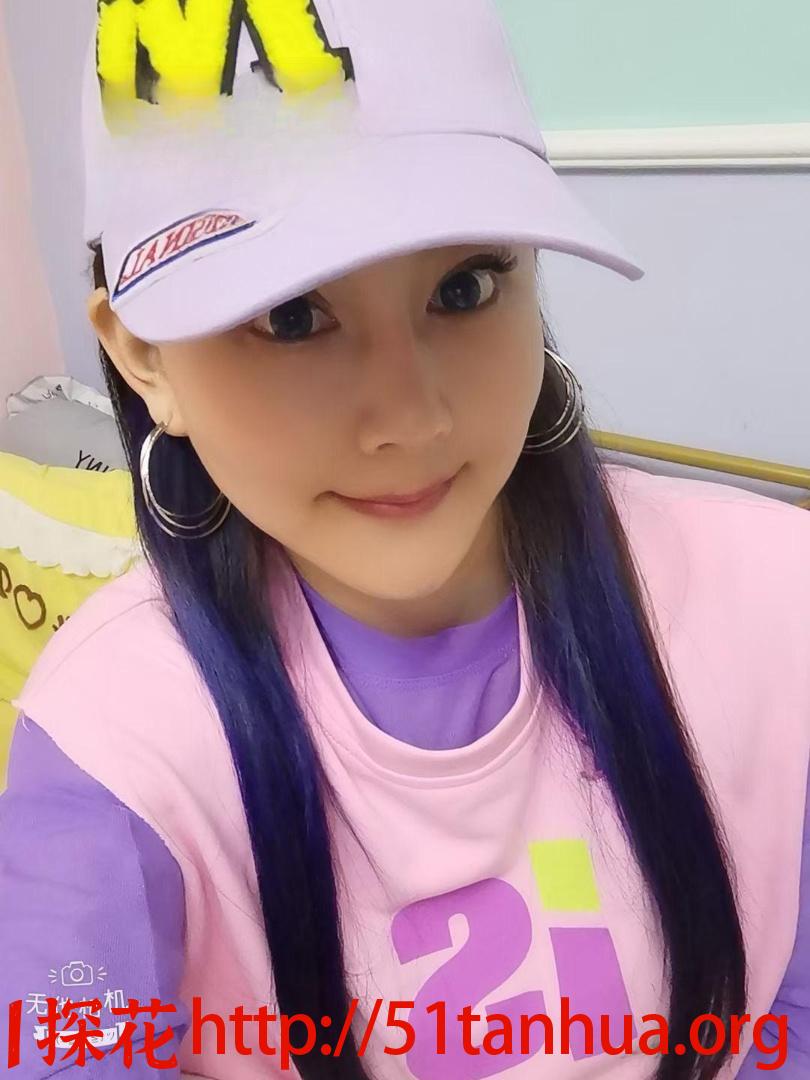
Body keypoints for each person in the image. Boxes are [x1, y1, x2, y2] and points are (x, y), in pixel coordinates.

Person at [1, 1, 809, 1077]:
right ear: (144, 359)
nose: (412, 418)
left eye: (464, 287)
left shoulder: (775, 602)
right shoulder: (116, 741)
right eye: (293, 317)